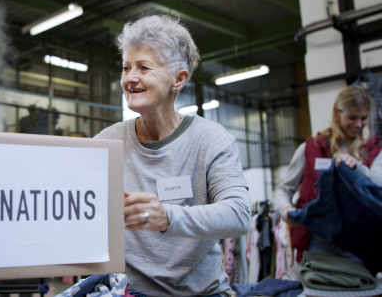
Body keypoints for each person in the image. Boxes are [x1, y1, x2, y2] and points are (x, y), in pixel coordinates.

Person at [94, 15, 251, 296]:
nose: (130, 78)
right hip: (129, 292)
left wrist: (167, 216)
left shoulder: (211, 139)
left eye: (144, 67)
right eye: (126, 67)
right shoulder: (108, 141)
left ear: (178, 79)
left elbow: (238, 214)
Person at [273, 85, 382, 264]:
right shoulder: (310, 148)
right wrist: (286, 210)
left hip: (359, 245)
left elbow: (379, 187)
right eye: (352, 118)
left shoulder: (374, 151)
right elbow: (284, 190)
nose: (359, 124)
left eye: (363, 118)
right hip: (316, 242)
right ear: (337, 112)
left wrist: (357, 168)